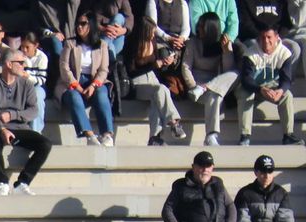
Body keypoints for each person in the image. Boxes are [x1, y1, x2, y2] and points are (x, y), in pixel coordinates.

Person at [0, 48, 52, 193]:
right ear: (9, 64)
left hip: (20, 128)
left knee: (45, 144)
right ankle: (2, 182)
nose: (24, 66)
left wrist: (12, 115)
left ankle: (23, 182)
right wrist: (2, 129)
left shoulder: (26, 84)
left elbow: (33, 110)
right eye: (20, 63)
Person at [128, 10, 193, 143]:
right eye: (151, 31)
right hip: (138, 81)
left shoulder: (153, 43)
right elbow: (131, 71)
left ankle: (155, 137)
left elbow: (156, 66)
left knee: (156, 98)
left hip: (152, 78)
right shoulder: (133, 45)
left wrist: (164, 63)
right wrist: (153, 65)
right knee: (160, 90)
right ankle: (174, 123)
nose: (154, 34)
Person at [58, 11, 117, 144]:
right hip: (73, 81)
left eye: (83, 24)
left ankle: (106, 134)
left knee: (102, 93)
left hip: (93, 81)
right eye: (77, 24)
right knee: (73, 96)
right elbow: (64, 66)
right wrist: (76, 85)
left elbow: (103, 69)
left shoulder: (101, 45)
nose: (79, 27)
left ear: (91, 25)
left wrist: (93, 85)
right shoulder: (70, 44)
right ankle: (89, 135)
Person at [239, 21, 300, 143]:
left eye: (269, 37)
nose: (266, 41)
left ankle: (288, 135)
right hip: (254, 87)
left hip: (271, 86)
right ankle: (245, 136)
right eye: (263, 37)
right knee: (244, 94)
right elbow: (246, 80)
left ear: (277, 38)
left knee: (287, 95)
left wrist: (281, 90)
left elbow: (286, 78)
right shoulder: (251, 54)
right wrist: (260, 89)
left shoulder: (284, 53)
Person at [188, 10, 240, 143]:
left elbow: (227, 71)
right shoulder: (193, 43)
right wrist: (194, 86)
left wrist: (227, 52)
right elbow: (185, 68)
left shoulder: (221, 42)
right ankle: (211, 135)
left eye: (201, 26)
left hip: (215, 84)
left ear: (210, 28)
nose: (198, 29)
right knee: (215, 95)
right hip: (197, 86)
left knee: (236, 74)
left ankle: (211, 136)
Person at [20, 31, 52, 130]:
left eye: (27, 47)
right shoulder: (18, 55)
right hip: (22, 86)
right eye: (22, 47)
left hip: (37, 87)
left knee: (37, 97)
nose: (24, 50)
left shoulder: (42, 58)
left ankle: (36, 131)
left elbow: (41, 80)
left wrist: (27, 76)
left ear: (36, 46)